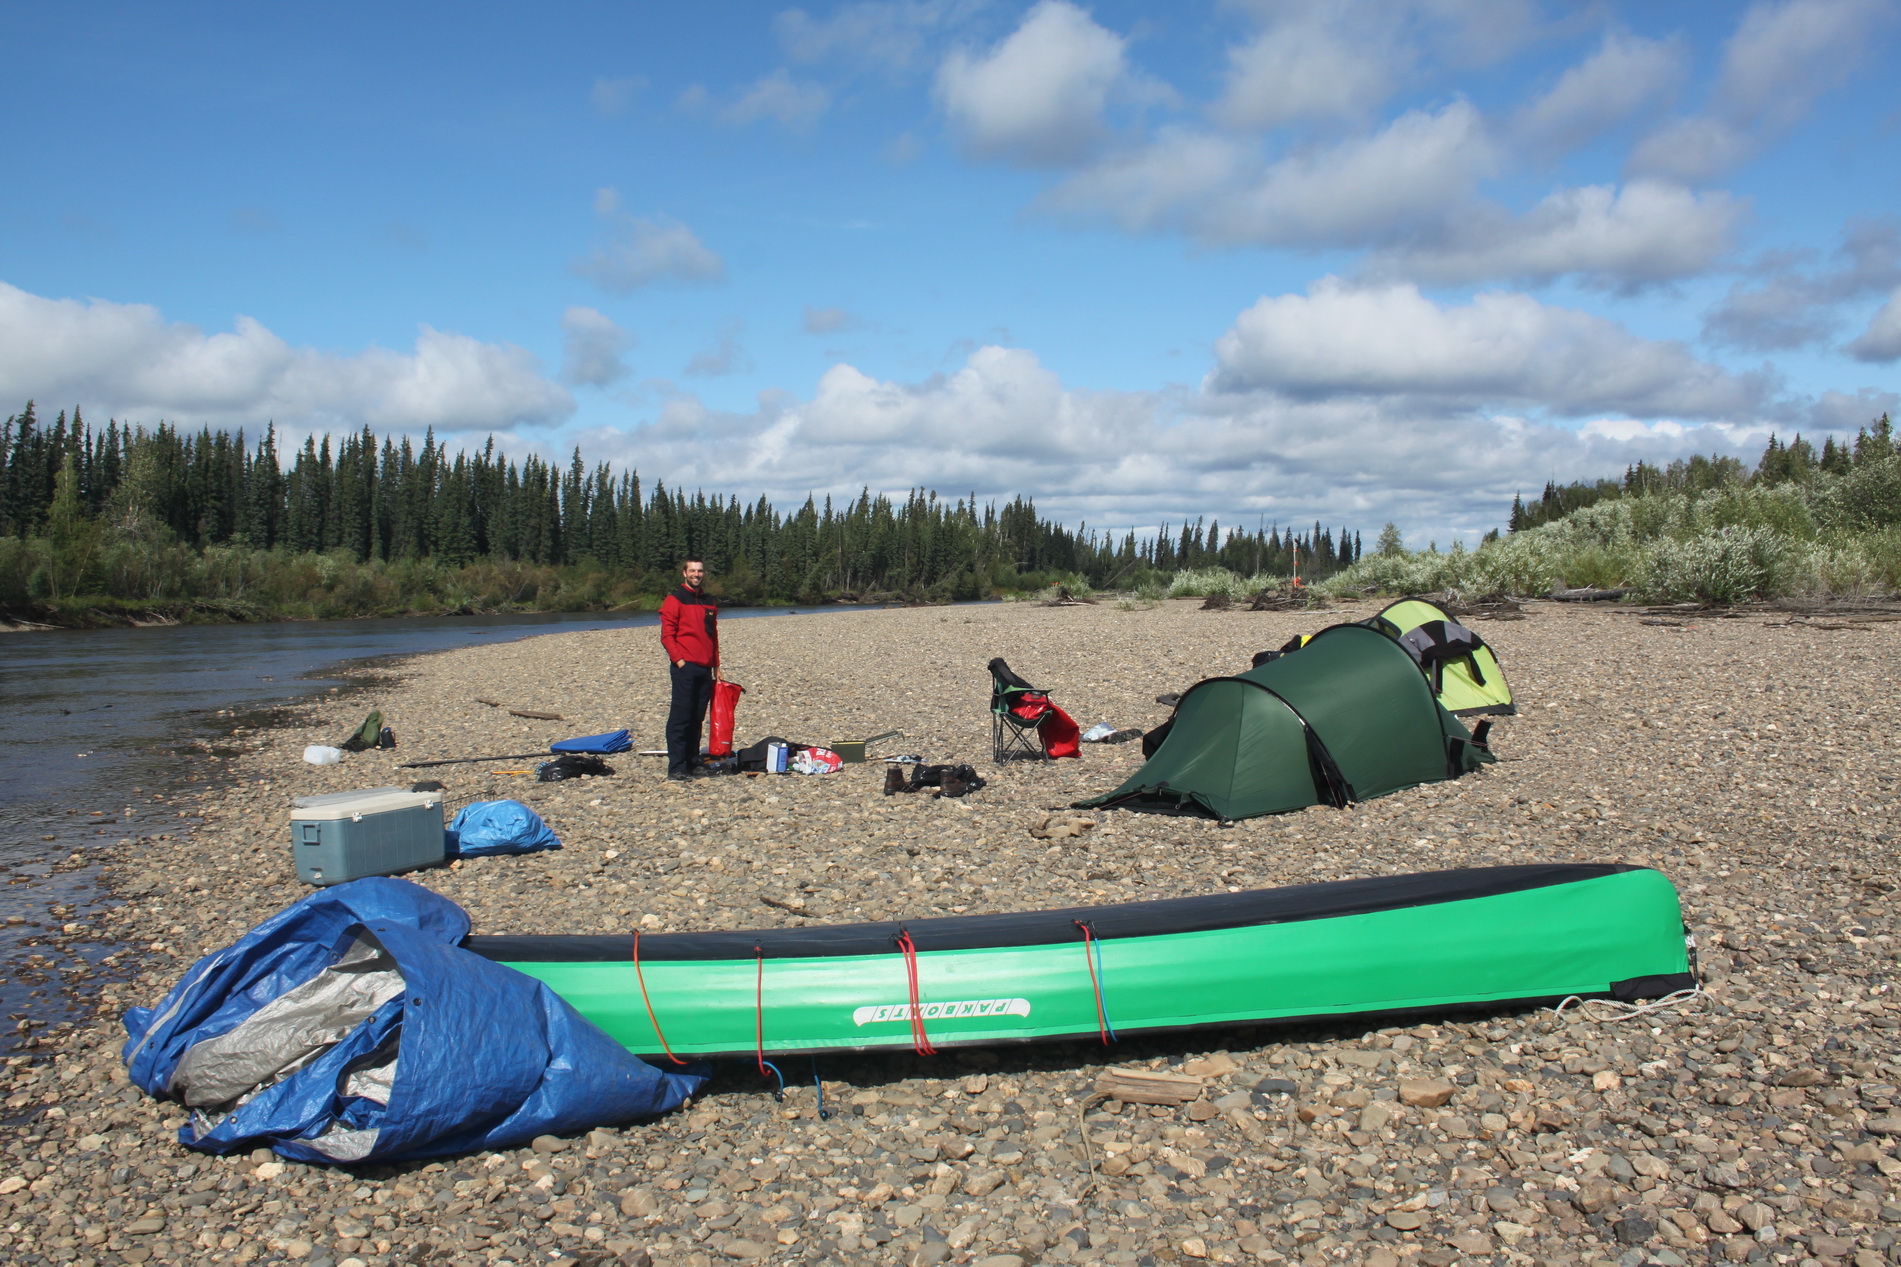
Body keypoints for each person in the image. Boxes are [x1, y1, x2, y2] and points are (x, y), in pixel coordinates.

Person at [659, 557, 722, 781]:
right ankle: (677, 766)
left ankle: (693, 761)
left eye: (700, 571)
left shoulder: (708, 601)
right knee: (681, 717)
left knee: (697, 717)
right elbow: (667, 636)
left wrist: (716, 665)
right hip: (685, 667)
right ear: (684, 573)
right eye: (692, 571)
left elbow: (711, 635)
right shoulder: (674, 600)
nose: (696, 574)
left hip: (705, 668)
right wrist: (680, 661)